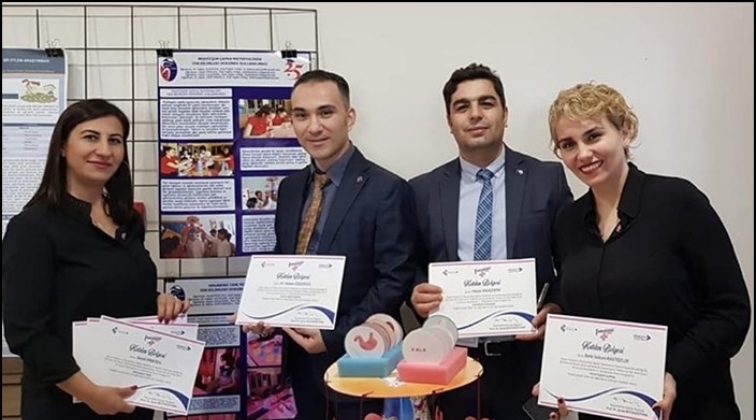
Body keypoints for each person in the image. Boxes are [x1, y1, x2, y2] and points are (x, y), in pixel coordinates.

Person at [546, 82, 751, 420]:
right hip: (605, 411)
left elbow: (730, 311)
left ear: (625, 131)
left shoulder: (679, 202)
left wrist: (672, 371)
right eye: (568, 144)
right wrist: (564, 378)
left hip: (691, 405)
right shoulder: (567, 222)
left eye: (594, 136)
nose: (582, 154)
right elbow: (581, 307)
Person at [237, 69, 418, 419]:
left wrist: (335, 336)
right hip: (302, 362)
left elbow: (394, 280)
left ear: (349, 117)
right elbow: (284, 261)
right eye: (301, 115)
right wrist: (264, 312)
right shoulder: (290, 189)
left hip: (361, 358)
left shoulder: (387, 189)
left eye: (325, 112)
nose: (314, 127)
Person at [1, 99, 190, 420]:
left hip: (130, 398)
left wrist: (159, 302)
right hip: (66, 404)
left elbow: (116, 289)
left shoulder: (127, 220)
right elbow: (26, 333)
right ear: (63, 147)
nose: (104, 150)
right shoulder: (33, 227)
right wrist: (90, 394)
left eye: (114, 140)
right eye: (91, 137)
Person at [408, 63, 574, 420]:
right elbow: (410, 264)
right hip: (453, 358)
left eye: (486, 103)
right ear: (450, 121)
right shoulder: (422, 190)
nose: (475, 114)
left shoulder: (547, 178)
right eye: (462, 106)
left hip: (527, 360)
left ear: (505, 113)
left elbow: (574, 260)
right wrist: (415, 290)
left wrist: (557, 306)